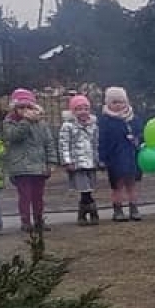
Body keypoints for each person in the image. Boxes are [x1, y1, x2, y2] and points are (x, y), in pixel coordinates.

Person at [1, 87, 57, 232]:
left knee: (38, 196)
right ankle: (25, 221)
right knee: (24, 196)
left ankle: (39, 220)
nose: (25, 110)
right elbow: (14, 136)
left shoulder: (42, 124)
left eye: (28, 107)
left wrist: (51, 162)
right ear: (15, 108)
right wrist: (25, 121)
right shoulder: (9, 123)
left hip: (39, 165)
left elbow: (48, 143)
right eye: (21, 107)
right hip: (21, 166)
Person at [98, 86, 143, 222]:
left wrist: (137, 139)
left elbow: (142, 135)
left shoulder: (134, 119)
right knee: (117, 186)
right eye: (114, 102)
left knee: (132, 184)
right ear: (108, 104)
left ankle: (134, 208)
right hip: (115, 159)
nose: (118, 105)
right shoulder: (105, 121)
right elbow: (102, 141)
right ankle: (118, 210)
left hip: (132, 157)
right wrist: (102, 158)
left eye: (121, 102)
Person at [58, 93, 101, 226]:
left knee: (89, 187)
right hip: (77, 163)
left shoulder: (93, 125)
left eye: (86, 108)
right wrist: (67, 160)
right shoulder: (68, 126)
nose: (83, 112)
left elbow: (96, 143)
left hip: (90, 162)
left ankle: (84, 211)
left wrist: (98, 159)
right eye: (79, 109)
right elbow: (64, 144)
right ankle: (91, 210)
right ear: (73, 111)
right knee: (84, 188)